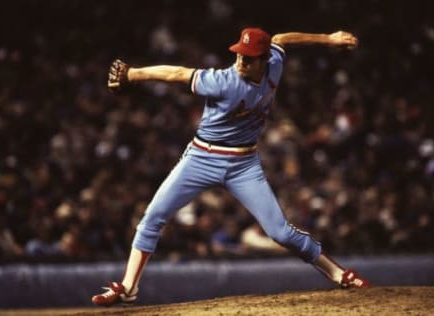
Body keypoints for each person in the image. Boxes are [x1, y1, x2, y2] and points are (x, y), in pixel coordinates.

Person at [92, 27, 369, 307]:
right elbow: (177, 74)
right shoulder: (223, 80)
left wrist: (329, 39)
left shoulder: (274, 63)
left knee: (280, 233)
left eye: (248, 58)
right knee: (153, 216)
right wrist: (133, 74)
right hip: (201, 158)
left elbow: (281, 39)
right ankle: (128, 287)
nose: (240, 61)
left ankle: (338, 273)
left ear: (264, 59)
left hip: (243, 165)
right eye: (239, 55)